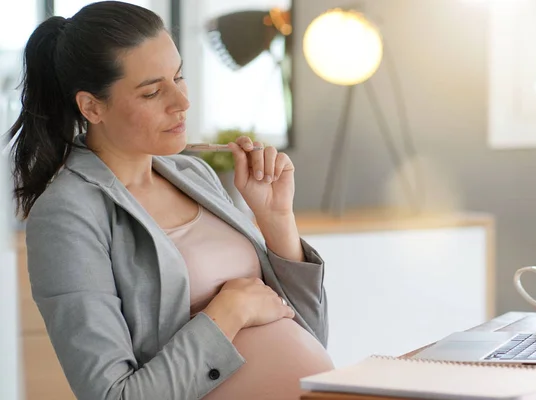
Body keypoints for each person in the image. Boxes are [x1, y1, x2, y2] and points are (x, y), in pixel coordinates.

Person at [8, 2, 334, 399]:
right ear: (91, 106)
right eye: (152, 92)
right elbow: (112, 395)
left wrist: (276, 217)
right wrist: (228, 313)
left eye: (179, 77)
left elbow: (310, 334)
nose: (181, 102)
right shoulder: (66, 216)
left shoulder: (193, 175)